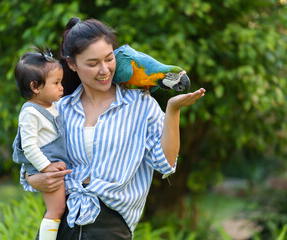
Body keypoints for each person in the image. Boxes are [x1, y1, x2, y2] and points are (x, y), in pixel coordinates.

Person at [20, 17, 206, 239]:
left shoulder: (140, 104)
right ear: (72, 64)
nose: (104, 70)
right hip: (62, 224)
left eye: (109, 59)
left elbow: (164, 163)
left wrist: (172, 111)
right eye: (92, 63)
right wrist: (33, 178)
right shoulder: (59, 110)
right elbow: (31, 157)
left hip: (110, 227)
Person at [12, 48, 69, 240]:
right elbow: (29, 147)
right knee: (56, 209)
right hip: (44, 167)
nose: (61, 87)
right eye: (56, 83)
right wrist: (46, 167)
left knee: (59, 207)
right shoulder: (30, 113)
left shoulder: (52, 105)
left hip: (53, 163)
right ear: (35, 86)